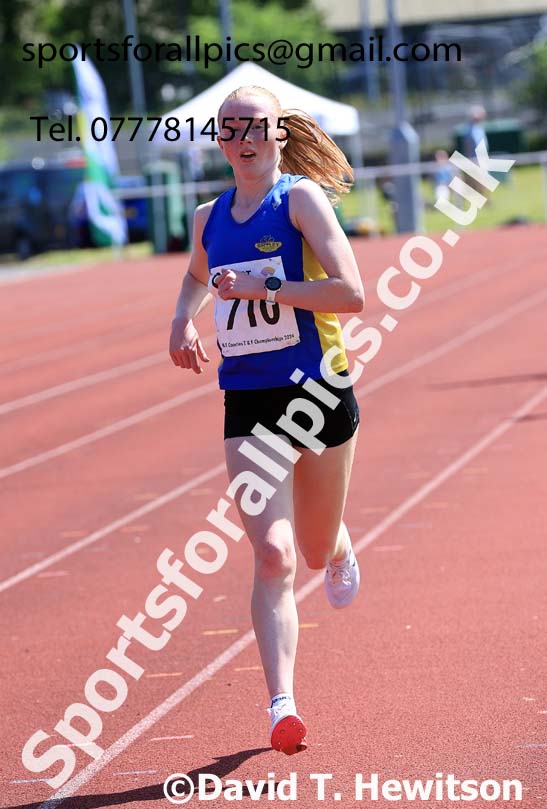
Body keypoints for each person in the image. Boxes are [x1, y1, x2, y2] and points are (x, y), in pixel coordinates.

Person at [169, 85, 365, 755]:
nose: (241, 137)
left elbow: (351, 294)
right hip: (248, 398)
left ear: (277, 134)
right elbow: (198, 275)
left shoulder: (300, 201)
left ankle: (338, 546)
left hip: (317, 391)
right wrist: (181, 319)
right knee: (273, 553)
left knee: (312, 548)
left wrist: (267, 287)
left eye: (254, 126)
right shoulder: (207, 216)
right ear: (219, 141)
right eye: (229, 128)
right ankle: (281, 702)